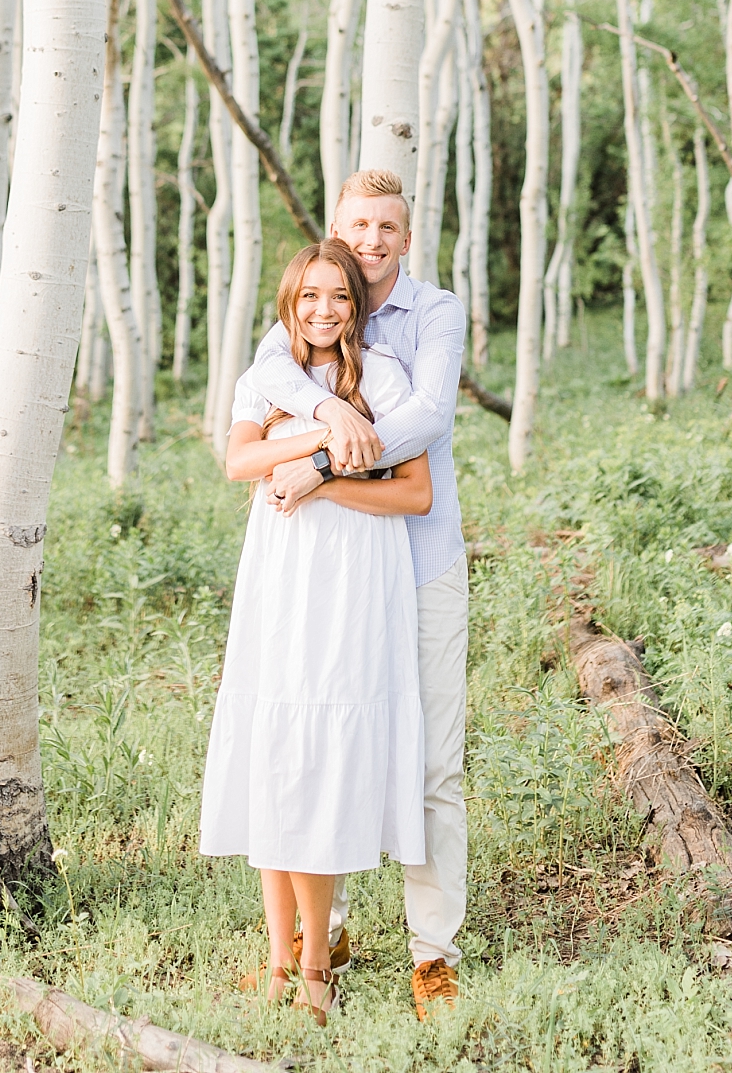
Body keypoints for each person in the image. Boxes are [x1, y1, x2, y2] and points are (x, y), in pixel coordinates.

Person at [247, 168, 468, 1021]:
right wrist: (321, 411)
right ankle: (321, 935)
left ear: (405, 237)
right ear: (337, 232)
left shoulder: (435, 313)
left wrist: (319, 459)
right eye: (357, 225)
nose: (372, 239)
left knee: (429, 766)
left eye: (387, 226)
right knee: (322, 739)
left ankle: (432, 956)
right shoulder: (312, 308)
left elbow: (427, 418)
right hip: (333, 577)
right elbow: (274, 379)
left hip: (419, 562)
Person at [199, 237, 434, 1024]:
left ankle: (315, 964)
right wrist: (326, 433)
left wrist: (325, 484)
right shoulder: (271, 373)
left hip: (354, 577)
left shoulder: (388, 375)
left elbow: (415, 494)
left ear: (355, 303)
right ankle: (276, 957)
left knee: (322, 758)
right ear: (290, 303)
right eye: (311, 297)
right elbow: (239, 462)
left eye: (339, 295)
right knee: (275, 755)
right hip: (279, 573)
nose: (326, 309)